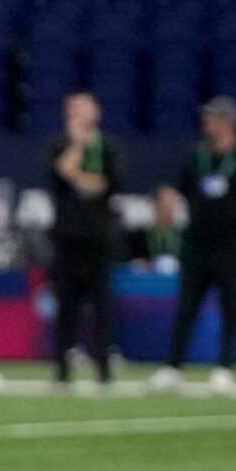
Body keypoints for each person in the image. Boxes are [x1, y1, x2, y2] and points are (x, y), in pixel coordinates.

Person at [150, 97, 236, 393]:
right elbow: (185, 191)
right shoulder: (197, 157)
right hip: (197, 244)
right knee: (187, 307)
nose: (208, 124)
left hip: (230, 246)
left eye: (214, 119)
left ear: (229, 123)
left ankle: (225, 366)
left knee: (232, 306)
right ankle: (173, 367)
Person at [46, 91, 122, 388]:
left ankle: (104, 368)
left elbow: (106, 184)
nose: (77, 115)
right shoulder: (58, 145)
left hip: (99, 237)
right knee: (66, 305)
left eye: (83, 109)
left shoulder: (109, 148)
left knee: (102, 304)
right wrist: (76, 149)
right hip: (67, 237)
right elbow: (60, 171)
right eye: (72, 110)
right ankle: (63, 370)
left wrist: (76, 175)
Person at [126, 185, 185, 270]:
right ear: (155, 204)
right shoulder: (140, 236)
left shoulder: (185, 235)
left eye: (172, 201)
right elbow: (130, 260)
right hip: (150, 280)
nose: (168, 207)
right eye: (164, 202)